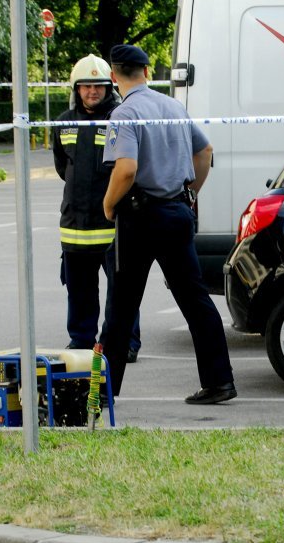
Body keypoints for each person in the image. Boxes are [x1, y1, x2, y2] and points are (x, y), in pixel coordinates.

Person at [101, 44, 236, 404]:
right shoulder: (173, 106)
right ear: (146, 72)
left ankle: (103, 395)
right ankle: (220, 381)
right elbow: (204, 152)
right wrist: (191, 192)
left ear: (115, 76)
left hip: (139, 218)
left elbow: (126, 169)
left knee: (121, 307)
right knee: (195, 300)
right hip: (176, 212)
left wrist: (109, 204)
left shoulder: (124, 114)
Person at [53, 53, 141, 362]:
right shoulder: (63, 122)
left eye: (99, 86)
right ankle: (81, 339)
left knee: (122, 289)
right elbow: (63, 166)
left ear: (109, 88)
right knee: (78, 290)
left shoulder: (120, 118)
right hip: (74, 223)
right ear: (76, 89)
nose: (93, 92)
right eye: (86, 86)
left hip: (112, 221)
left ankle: (125, 342)